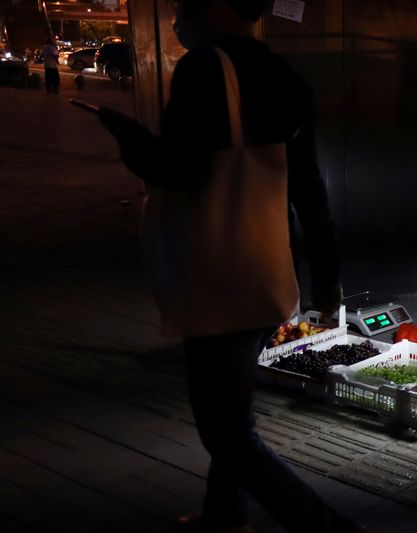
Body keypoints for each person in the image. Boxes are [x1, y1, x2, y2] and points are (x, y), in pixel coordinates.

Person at [96, 0, 359, 531]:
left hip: (217, 275)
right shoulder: (284, 73)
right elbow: (309, 189)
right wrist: (327, 277)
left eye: (183, 7)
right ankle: (225, 513)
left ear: (215, 6)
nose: (175, 19)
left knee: (225, 433)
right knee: (234, 413)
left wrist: (131, 140)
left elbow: (175, 168)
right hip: (268, 272)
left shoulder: (202, 69)